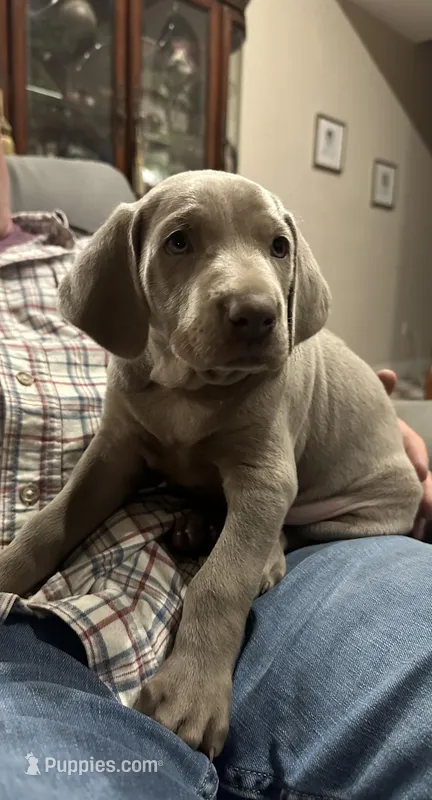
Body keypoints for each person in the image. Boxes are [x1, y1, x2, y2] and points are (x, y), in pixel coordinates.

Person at [0, 139, 432, 799]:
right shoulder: (119, 274)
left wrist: (210, 636)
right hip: (51, 633)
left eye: (275, 247)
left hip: (334, 526)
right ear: (132, 276)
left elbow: (272, 477)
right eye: (181, 243)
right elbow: (114, 456)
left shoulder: (81, 248)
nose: (254, 299)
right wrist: (22, 558)